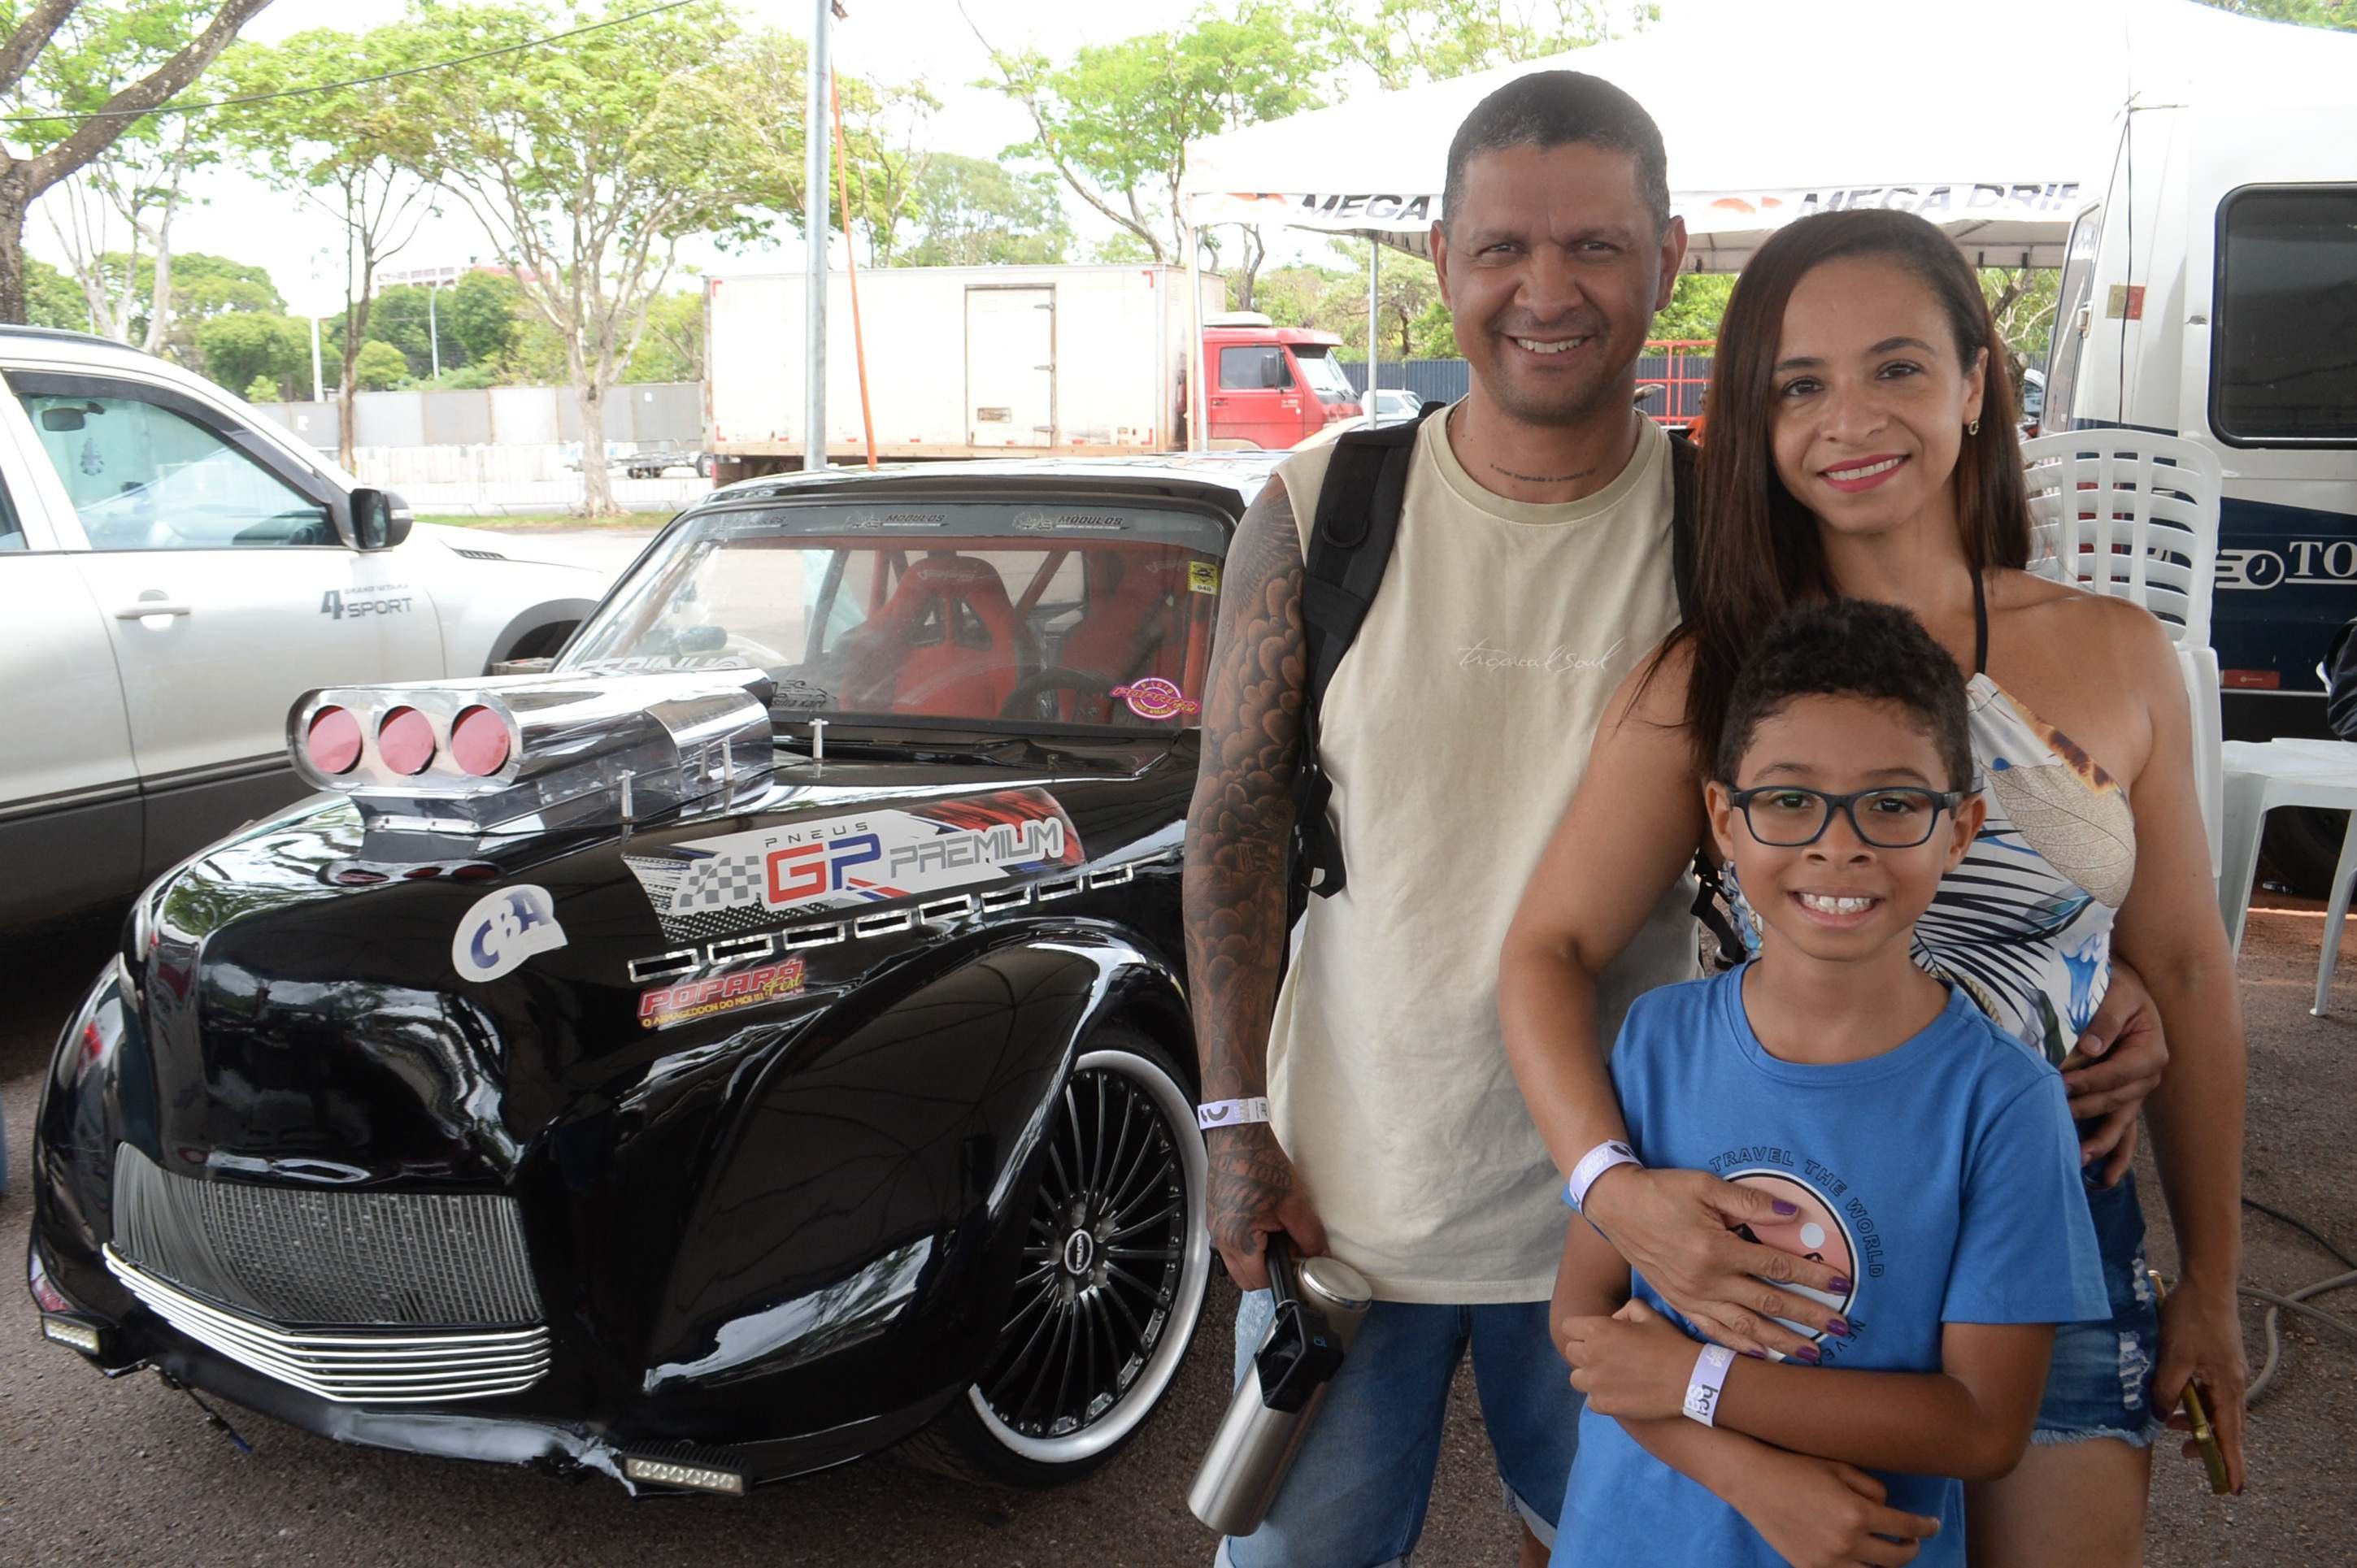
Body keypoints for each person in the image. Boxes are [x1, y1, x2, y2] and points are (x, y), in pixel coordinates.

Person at [1499, 206, 2248, 1566]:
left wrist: (2211, 1275)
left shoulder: (2114, 653)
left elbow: (2185, 967)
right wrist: (1614, 1192)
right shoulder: (1709, 681)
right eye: (1797, 385)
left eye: (1895, 367)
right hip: (1796, 1249)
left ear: (1973, 381)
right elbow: (1543, 948)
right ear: (1753, 422)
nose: (1850, 417)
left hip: (2051, 1233)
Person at [1181, 72, 1707, 1567]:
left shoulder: (1725, 520)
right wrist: (1231, 1124)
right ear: (1439, 261)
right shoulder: (1319, 501)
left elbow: (1876, 781)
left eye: (1594, 246)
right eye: (1501, 249)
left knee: (1614, 1551)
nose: (1545, 290)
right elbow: (1230, 826)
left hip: (1631, 1211)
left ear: (1665, 258)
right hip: (1341, 1208)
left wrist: (2088, 962)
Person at [1550, 597, 2110, 1568]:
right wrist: (1745, 1473)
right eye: (1788, 798)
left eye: (1892, 803)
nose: (1837, 844)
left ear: (1960, 829)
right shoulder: (1658, 1041)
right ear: (1724, 818)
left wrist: (1696, 1379)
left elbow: (1982, 1425)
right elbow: (1587, 1323)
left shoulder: (2006, 1106)